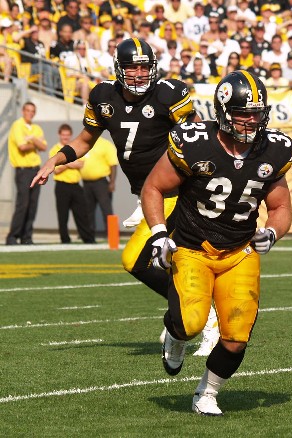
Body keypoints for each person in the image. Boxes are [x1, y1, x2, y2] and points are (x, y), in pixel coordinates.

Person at [30, 38, 219, 353]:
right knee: (168, 258)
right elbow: (86, 139)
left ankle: (203, 315)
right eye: (133, 66)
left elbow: (196, 138)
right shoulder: (103, 96)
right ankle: (186, 311)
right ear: (119, 68)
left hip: (173, 192)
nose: (140, 73)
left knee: (137, 260)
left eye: (145, 66)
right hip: (145, 194)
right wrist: (54, 160)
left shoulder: (168, 94)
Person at [141, 70, 292, 416]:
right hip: (193, 247)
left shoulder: (274, 148)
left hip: (240, 252)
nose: (251, 121)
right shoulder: (194, 140)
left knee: (236, 337)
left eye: (256, 113)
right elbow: (153, 187)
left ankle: (207, 392)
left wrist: (272, 232)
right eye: (243, 113)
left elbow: (281, 206)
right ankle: (175, 336)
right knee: (191, 323)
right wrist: (158, 233)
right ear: (224, 111)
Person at [6, 102, 47, 245]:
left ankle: (26, 237)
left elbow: (44, 146)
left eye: (32, 111)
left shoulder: (36, 128)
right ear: (23, 111)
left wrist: (33, 140)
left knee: (33, 205)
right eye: (28, 110)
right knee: (23, 204)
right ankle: (12, 236)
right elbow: (22, 147)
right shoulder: (18, 125)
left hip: (35, 169)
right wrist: (36, 142)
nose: (30, 113)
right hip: (23, 170)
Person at [49, 124, 95, 244]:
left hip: (75, 185)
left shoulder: (74, 148)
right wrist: (69, 164)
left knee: (82, 214)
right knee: (63, 215)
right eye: (63, 135)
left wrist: (63, 164)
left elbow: (81, 164)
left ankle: (88, 239)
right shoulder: (54, 149)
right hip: (61, 185)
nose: (65, 137)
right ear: (60, 135)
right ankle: (65, 240)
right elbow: (55, 169)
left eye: (67, 135)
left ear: (70, 135)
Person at [79, 137, 118, 239]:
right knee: (88, 211)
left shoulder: (106, 144)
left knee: (107, 210)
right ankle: (89, 237)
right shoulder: (85, 143)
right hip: (86, 183)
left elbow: (113, 164)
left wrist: (112, 182)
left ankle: (112, 237)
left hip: (101, 182)